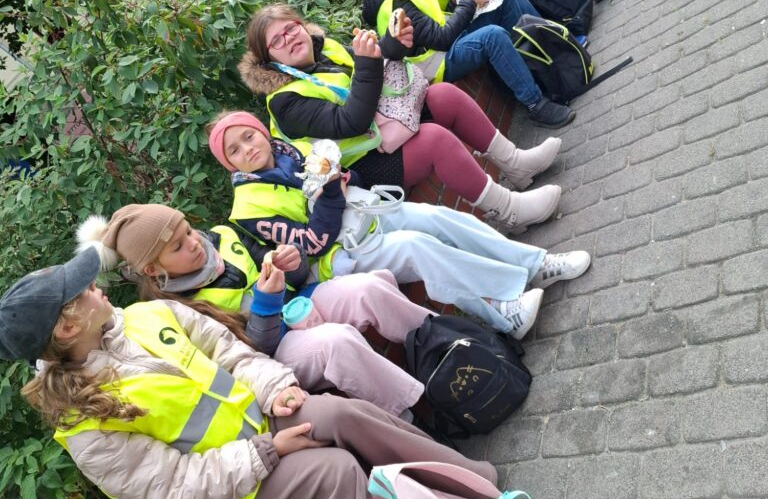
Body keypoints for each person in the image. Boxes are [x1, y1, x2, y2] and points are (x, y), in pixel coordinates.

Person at [5, 248, 498, 499]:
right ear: (68, 326)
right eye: (83, 289)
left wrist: (276, 387)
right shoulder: (85, 423)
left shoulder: (146, 315)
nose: (96, 284)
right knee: (336, 475)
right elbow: (169, 490)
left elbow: (232, 354)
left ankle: (471, 482)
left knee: (340, 413)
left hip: (266, 420)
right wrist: (266, 453)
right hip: (240, 487)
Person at [207, 112, 591, 335]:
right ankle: (504, 309)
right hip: (342, 255)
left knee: (437, 218)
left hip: (366, 212)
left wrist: (343, 180)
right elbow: (313, 243)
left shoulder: (294, 150)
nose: (248, 148)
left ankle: (536, 264)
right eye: (234, 151)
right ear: (229, 165)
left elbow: (347, 180)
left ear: (261, 130)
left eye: (248, 136)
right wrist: (333, 192)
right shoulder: (248, 207)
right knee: (416, 248)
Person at [238, 4, 572, 230]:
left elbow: (375, 64)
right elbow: (350, 122)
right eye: (277, 41)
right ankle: (509, 210)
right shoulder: (284, 101)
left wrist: (395, 44)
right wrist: (368, 64)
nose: (290, 38)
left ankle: (515, 164)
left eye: (291, 28)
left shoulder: (325, 49)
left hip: (382, 131)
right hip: (359, 170)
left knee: (444, 96)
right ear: (269, 60)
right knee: (434, 141)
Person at [76, 203, 428, 415]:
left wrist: (292, 261)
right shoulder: (171, 308)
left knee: (366, 287)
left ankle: (437, 340)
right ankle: (411, 407)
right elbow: (248, 354)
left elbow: (294, 276)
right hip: (277, 352)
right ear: (153, 269)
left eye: (188, 231)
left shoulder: (221, 237)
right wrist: (267, 300)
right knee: (337, 342)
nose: (194, 244)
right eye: (178, 247)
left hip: (301, 304)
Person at [361, 0, 577, 133]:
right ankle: (535, 104)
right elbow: (442, 39)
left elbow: (434, 20)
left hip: (446, 43)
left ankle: (554, 53)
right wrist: (469, 1)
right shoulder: (396, 4)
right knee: (492, 36)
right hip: (437, 64)